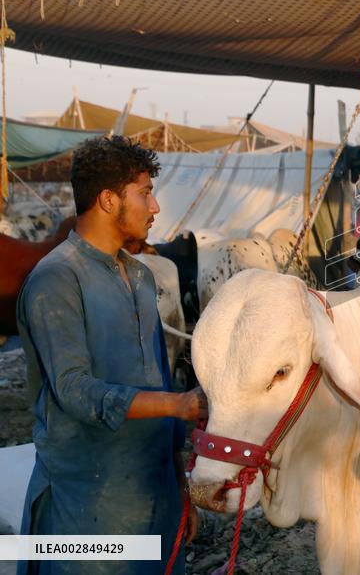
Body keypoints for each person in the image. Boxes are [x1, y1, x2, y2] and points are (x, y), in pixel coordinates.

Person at [16, 137, 207, 575]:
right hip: (84, 515)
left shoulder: (139, 276)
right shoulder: (56, 280)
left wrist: (179, 489)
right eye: (144, 192)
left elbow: (158, 380)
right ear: (107, 200)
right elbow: (74, 392)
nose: (155, 207)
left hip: (152, 501)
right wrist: (180, 405)